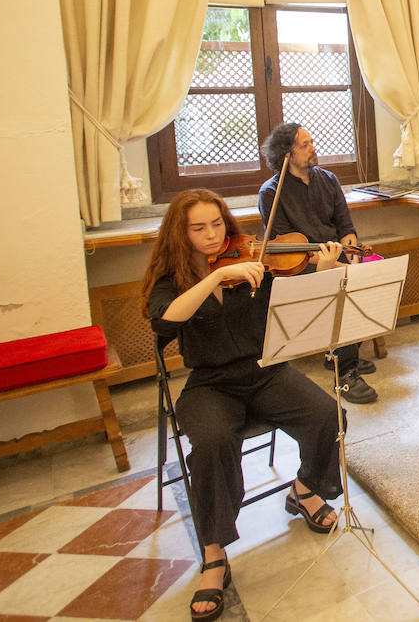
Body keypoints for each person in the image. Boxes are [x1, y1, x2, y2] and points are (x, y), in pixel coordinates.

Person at [142, 189, 346, 622]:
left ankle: (305, 488)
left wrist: (323, 268)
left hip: (264, 371)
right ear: (181, 232)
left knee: (328, 414)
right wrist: (214, 278)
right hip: (211, 384)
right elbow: (163, 319)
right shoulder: (171, 279)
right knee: (213, 442)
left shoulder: (254, 259)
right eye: (199, 227)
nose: (213, 234)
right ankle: (214, 555)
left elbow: (300, 294)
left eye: (217, 223)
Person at [258, 122, 377, 405]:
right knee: (344, 283)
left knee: (371, 273)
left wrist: (353, 256)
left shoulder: (329, 180)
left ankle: (340, 353)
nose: (314, 148)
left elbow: (345, 227)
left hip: (334, 257)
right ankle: (345, 374)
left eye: (312, 142)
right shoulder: (271, 192)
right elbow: (285, 250)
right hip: (298, 267)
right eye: (305, 145)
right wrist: (332, 263)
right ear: (287, 154)